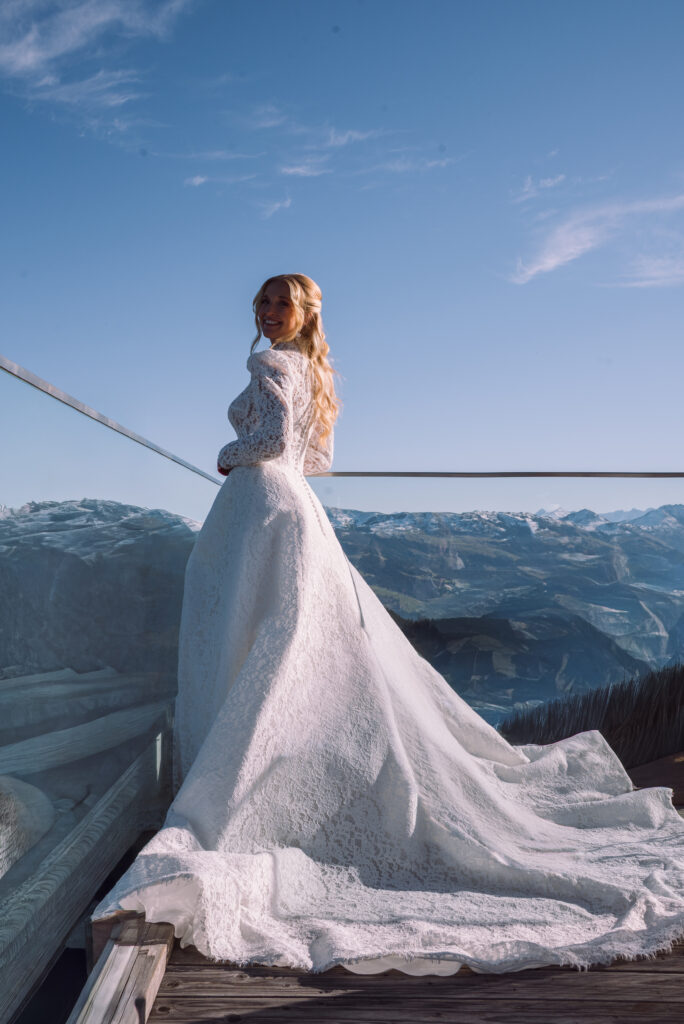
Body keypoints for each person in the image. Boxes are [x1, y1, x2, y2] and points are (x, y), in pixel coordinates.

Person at [92, 273, 684, 975]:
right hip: (294, 513)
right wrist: (273, 466)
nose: (267, 312)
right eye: (261, 302)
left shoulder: (273, 364)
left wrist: (230, 456)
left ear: (304, 312)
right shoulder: (316, 372)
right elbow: (316, 459)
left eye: (280, 302)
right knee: (290, 649)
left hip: (259, 510)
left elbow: (276, 439)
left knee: (255, 643)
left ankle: (235, 782)